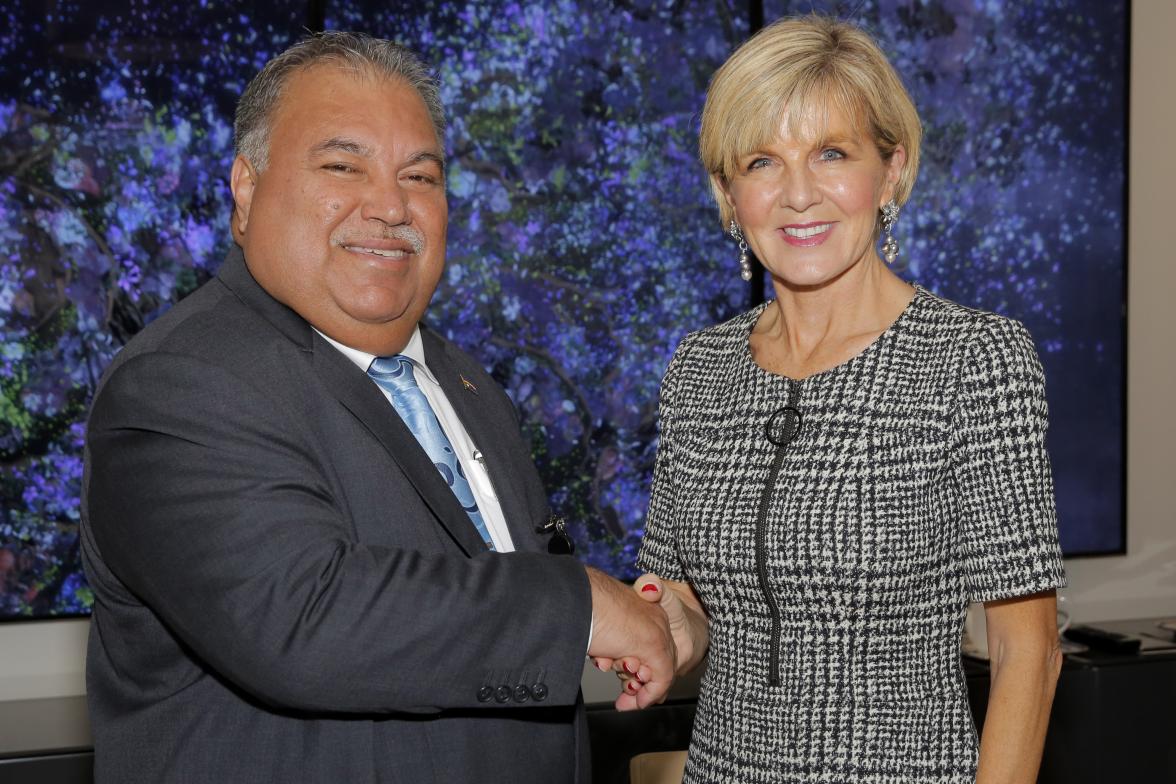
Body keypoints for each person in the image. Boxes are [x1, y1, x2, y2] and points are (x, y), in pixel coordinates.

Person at [80, 31, 675, 783]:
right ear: (246, 188)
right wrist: (581, 605)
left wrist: (644, 609)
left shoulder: (466, 387)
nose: (390, 206)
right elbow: (303, 618)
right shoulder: (181, 382)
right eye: (342, 165)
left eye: (420, 177)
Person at [613, 15, 1066, 784]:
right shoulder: (700, 367)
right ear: (728, 192)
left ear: (890, 171)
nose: (797, 194)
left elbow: (1032, 653)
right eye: (762, 161)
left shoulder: (974, 360)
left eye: (832, 153)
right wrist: (653, 626)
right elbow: (683, 598)